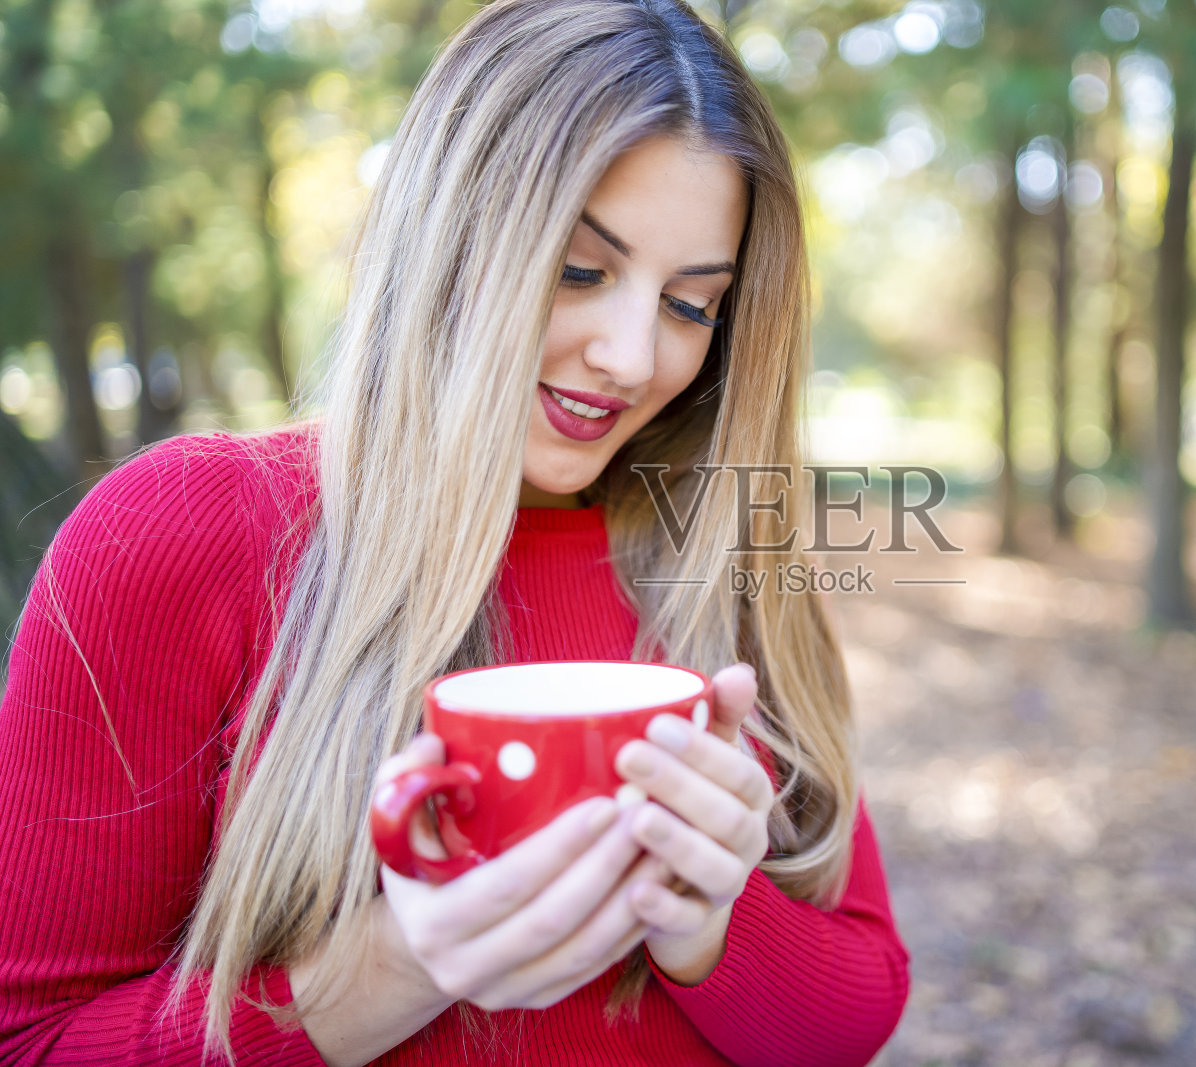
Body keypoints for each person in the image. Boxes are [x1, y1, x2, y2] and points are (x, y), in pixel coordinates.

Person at [0, 0, 911, 1063]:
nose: (630, 355)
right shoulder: (182, 534)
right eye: (580, 270)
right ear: (451, 231)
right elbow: (32, 1041)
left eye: (690, 304)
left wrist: (712, 922)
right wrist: (397, 967)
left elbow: (857, 1001)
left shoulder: (718, 553)